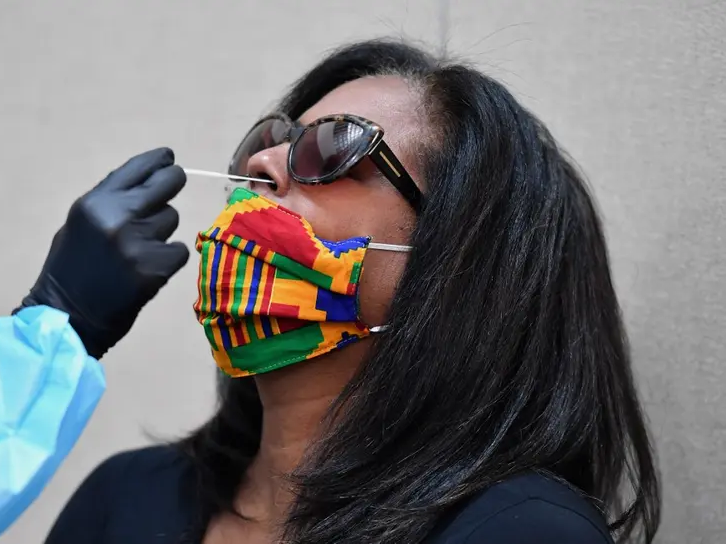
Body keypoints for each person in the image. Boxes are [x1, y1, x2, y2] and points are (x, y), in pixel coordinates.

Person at [45, 40, 662, 544]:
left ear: (456, 259)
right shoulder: (124, 498)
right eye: (266, 145)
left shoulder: (518, 531)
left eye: (331, 147)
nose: (262, 166)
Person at [0, 148, 189, 544]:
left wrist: (58, 322)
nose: (257, 163)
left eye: (295, 152)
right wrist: (60, 323)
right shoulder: (129, 496)